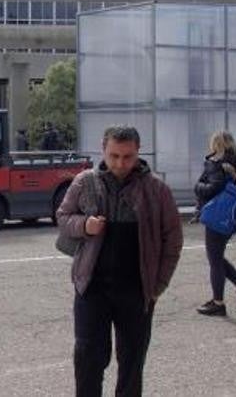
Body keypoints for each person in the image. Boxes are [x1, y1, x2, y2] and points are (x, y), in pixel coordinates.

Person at [56, 125, 183, 397]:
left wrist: (157, 285)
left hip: (137, 291)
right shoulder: (84, 182)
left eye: (128, 157)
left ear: (138, 152)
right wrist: (84, 225)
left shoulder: (157, 190)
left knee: (132, 363)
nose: (120, 163)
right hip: (92, 288)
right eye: (114, 156)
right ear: (103, 150)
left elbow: (172, 241)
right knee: (88, 359)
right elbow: (63, 217)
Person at [192, 130, 236, 317]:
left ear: (215, 144)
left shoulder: (215, 162)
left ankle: (218, 302)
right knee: (217, 256)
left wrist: (197, 186)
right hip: (233, 216)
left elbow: (212, 187)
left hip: (216, 216)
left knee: (214, 259)